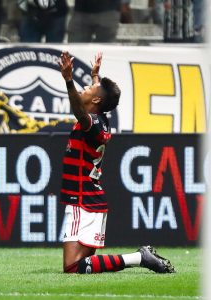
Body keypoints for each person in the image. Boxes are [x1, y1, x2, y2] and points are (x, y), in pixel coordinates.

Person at [58, 51, 176, 274]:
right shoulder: (100, 121)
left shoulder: (91, 122)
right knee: (81, 266)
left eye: (89, 88)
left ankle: (139, 257)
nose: (85, 88)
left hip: (82, 200)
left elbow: (79, 110)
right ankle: (140, 257)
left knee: (73, 267)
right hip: (91, 200)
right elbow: (95, 100)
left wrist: (68, 80)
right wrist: (95, 77)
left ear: (95, 100)